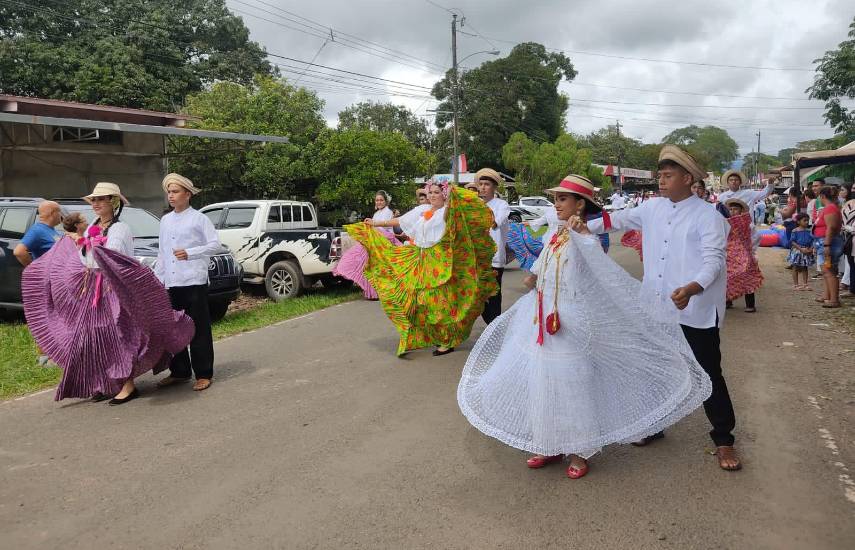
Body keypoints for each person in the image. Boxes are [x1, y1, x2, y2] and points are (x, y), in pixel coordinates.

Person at [458, 173, 711, 479]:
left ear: (580, 204)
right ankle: (548, 444)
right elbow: (544, 262)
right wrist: (534, 278)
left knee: (571, 383)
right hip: (542, 316)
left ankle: (579, 449)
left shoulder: (586, 238)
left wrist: (587, 239)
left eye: (563, 198)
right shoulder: (557, 230)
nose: (557, 204)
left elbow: (602, 275)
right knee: (543, 379)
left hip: (570, 320)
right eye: (556, 198)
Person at [575, 145, 741, 471]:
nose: (661, 181)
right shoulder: (652, 208)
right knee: (654, 367)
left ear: (688, 178)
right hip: (656, 306)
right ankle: (654, 425)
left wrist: (693, 288)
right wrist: (583, 226)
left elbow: (714, 262)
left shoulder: (709, 217)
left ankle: (723, 439)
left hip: (696, 310)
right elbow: (616, 219)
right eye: (660, 176)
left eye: (668, 175)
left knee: (708, 372)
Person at [22, 182, 194, 404]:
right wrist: (82, 245)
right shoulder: (94, 224)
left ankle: (127, 385)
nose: (95, 204)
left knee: (119, 336)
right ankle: (106, 381)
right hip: (93, 289)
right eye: (93, 200)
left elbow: (112, 257)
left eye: (100, 199)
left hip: (115, 289)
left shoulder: (120, 228)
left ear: (112, 202)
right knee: (93, 336)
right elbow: (87, 258)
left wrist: (87, 246)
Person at [347, 181, 496, 356]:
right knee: (416, 298)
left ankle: (447, 340)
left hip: (440, 260)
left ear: (444, 195)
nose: (432, 196)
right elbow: (401, 221)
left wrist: (455, 192)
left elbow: (461, 213)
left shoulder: (447, 211)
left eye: (436, 192)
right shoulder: (421, 210)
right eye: (430, 192)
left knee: (439, 300)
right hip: (419, 257)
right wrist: (375, 223)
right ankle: (420, 335)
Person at [155, 173, 222, 392]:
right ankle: (180, 370)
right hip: (172, 282)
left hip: (193, 280)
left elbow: (215, 245)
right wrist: (158, 280)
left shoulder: (199, 218)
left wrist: (191, 253)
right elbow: (163, 253)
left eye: (175, 192)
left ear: (188, 194)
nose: (170, 196)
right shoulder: (165, 220)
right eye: (169, 192)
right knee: (175, 329)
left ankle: (203, 372)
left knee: (198, 328)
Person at [333, 191, 398, 300]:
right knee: (369, 265)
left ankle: (381, 291)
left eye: (381, 200)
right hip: (374, 240)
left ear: (386, 201)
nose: (379, 202)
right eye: (377, 200)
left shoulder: (388, 212)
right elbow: (374, 228)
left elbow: (382, 228)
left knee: (378, 267)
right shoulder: (376, 214)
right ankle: (373, 291)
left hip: (383, 242)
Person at [475, 168, 510, 325]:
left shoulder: (501, 205)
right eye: (480, 184)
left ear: (494, 187)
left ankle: (495, 329)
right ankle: (494, 327)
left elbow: (496, 222)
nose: (482, 187)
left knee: (494, 295)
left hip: (494, 259)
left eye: (487, 184)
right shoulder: (475, 204)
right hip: (477, 258)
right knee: (478, 296)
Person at [723, 199, 763, 313]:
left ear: (741, 211)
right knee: (727, 277)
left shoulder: (748, 224)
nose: (733, 211)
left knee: (748, 278)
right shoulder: (726, 223)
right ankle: (728, 301)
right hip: (730, 255)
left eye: (735, 209)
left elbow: (756, 237)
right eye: (730, 209)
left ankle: (750, 305)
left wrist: (750, 250)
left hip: (745, 254)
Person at [813, 185, 844, 308]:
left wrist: (827, 244)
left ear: (822, 196)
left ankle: (834, 299)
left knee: (829, 271)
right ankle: (827, 295)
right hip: (823, 242)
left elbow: (830, 227)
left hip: (827, 242)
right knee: (826, 271)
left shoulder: (830, 208)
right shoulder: (829, 208)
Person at [13, 200, 62, 267]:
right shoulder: (37, 230)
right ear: (52, 213)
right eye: (59, 211)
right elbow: (19, 252)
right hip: (46, 276)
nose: (61, 215)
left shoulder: (51, 229)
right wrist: (34, 269)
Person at [787, 213, 815, 290]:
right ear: (798, 222)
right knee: (795, 267)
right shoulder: (795, 231)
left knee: (805, 267)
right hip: (797, 251)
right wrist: (800, 249)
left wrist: (811, 248)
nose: (806, 222)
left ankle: (805, 284)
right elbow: (792, 242)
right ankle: (796, 285)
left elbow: (813, 241)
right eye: (804, 220)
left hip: (806, 250)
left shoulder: (809, 231)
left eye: (807, 220)